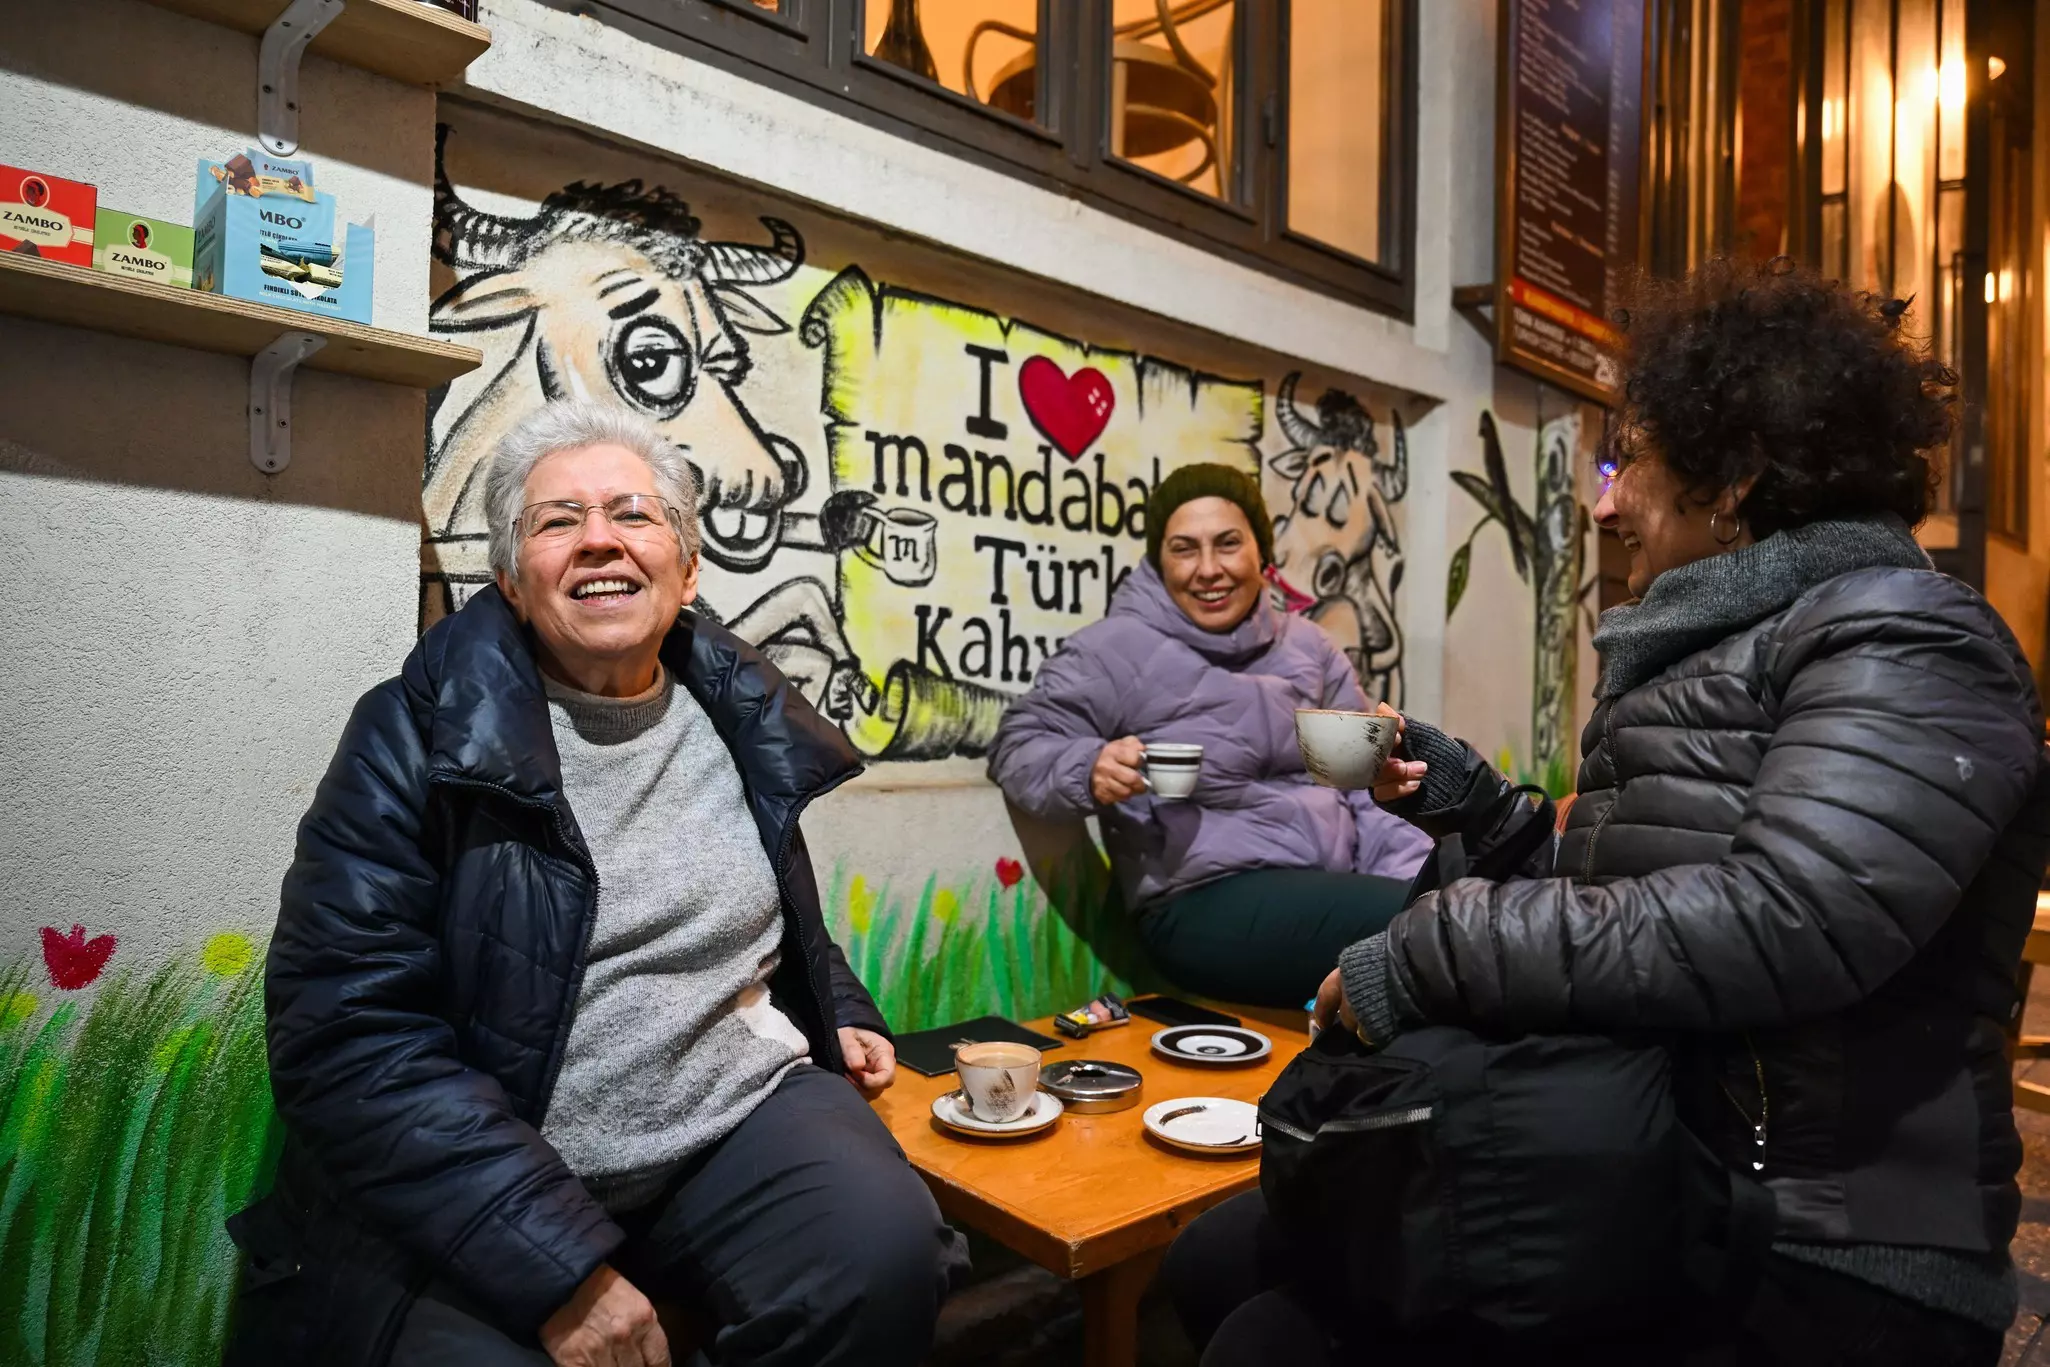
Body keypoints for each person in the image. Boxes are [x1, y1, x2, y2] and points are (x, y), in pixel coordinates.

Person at [1167, 259, 2050, 1366]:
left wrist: (1431, 947)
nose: (1603, 497)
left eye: (1630, 460)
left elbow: (1787, 915)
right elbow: (1636, 875)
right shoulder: (1712, 643)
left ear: (1733, 482)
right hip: (1646, 1149)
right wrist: (1484, 813)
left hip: (1815, 1241)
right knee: (1212, 1266)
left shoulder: (1909, 641)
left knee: (1268, 1342)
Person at [224, 400, 962, 1367]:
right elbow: (347, 1032)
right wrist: (560, 1269)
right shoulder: (414, 732)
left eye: (634, 512)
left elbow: (759, 911)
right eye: (558, 521)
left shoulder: (734, 709)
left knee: (886, 1253)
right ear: (510, 580)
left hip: (728, 1121)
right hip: (495, 1166)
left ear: (687, 567)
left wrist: (844, 1005)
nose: (599, 539)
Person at [987, 463, 1430, 1008]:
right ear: (1158, 560)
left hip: (1330, 891)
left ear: (1260, 554)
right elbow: (1018, 742)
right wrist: (1089, 767)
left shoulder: (1313, 650)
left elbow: (1371, 788)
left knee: (1460, 908)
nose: (1208, 569)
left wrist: (1415, 883)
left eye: (1227, 544)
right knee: (1434, 925)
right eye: (1183, 549)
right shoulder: (1114, 650)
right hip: (1197, 902)